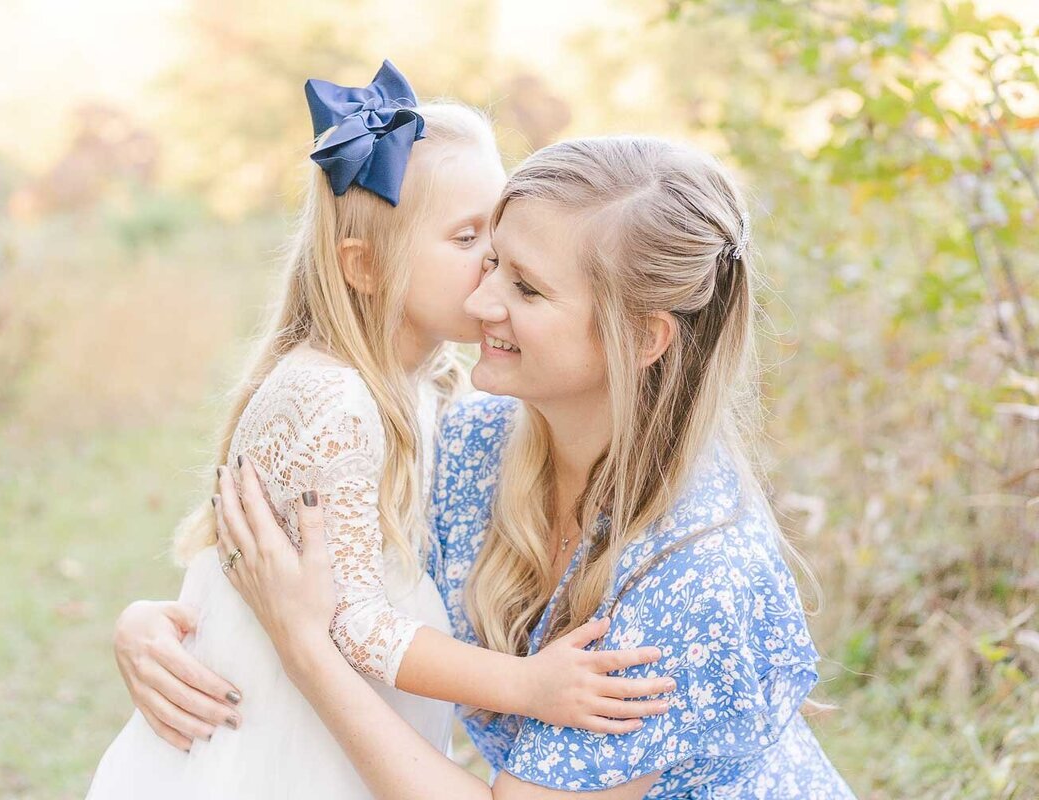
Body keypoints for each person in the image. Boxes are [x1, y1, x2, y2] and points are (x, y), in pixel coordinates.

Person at [202, 135, 858, 797]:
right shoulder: (473, 445)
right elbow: (329, 562)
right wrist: (165, 629)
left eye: (527, 288)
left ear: (642, 337)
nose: (482, 302)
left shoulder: (699, 577)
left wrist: (308, 654)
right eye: (489, 262)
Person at [86, 64, 671, 800]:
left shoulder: (428, 385)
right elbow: (348, 623)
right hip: (275, 738)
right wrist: (525, 687)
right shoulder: (329, 397)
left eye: (499, 231)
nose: (496, 260)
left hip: (343, 720)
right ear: (364, 266)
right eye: (467, 239)